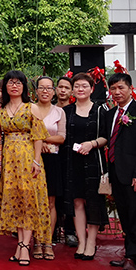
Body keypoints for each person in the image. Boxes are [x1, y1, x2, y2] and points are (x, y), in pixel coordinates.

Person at [0, 70, 50, 266]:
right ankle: (20, 245)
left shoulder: (32, 108)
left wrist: (36, 161)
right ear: (5, 86)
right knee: (16, 202)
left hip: (28, 159)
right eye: (10, 82)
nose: (14, 86)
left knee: (28, 201)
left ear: (24, 87)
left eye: (18, 82)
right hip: (9, 162)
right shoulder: (0, 110)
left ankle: (24, 246)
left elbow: (38, 137)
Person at [104, 72, 136, 270]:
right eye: (113, 88)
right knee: (124, 215)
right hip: (116, 172)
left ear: (130, 89)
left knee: (135, 215)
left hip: (134, 174)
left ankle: (132, 257)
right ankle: (134, 255)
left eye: (121, 88)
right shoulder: (110, 114)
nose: (117, 92)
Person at [62, 73, 108, 261]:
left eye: (84, 86)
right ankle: (81, 241)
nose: (80, 89)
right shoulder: (66, 111)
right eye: (77, 86)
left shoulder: (100, 110)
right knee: (77, 202)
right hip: (72, 162)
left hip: (93, 161)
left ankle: (91, 242)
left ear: (92, 89)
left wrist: (92, 144)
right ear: (72, 90)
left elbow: (106, 137)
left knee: (93, 201)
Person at [31, 76, 66, 261]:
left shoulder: (59, 111)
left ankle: (47, 242)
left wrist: (41, 139)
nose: (45, 91)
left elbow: (61, 137)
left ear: (54, 91)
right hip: (33, 160)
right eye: (41, 88)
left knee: (50, 202)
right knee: (34, 202)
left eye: (49, 88)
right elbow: (26, 134)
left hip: (52, 160)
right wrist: (39, 143)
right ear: (36, 91)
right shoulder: (29, 109)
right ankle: (36, 242)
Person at [53, 75, 78, 248]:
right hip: (52, 156)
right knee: (53, 194)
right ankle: (52, 231)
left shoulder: (75, 110)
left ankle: (70, 231)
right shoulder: (50, 109)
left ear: (72, 91)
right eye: (60, 87)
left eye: (66, 88)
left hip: (71, 156)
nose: (63, 90)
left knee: (70, 194)